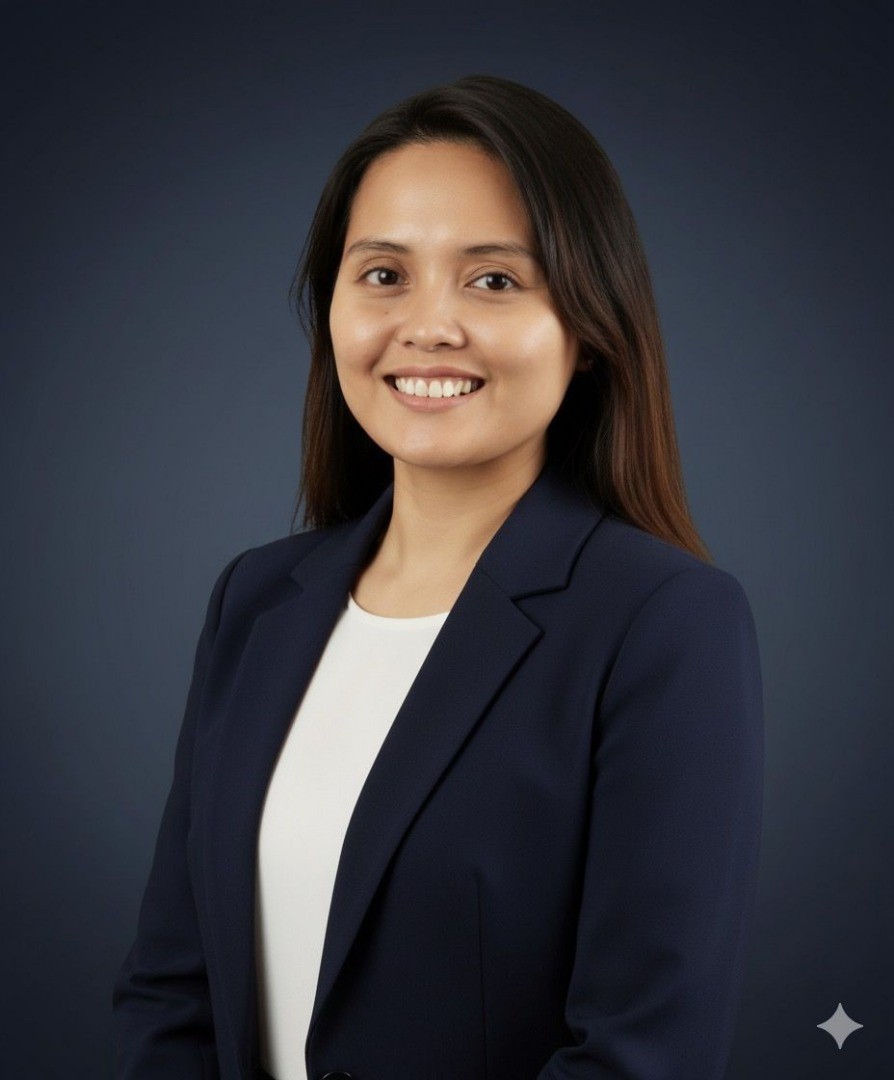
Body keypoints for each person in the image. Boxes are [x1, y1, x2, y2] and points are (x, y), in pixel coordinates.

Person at [111, 74, 764, 1080]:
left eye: (493, 279)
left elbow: (644, 1053)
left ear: (587, 328)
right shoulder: (255, 601)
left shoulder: (664, 622)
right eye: (383, 275)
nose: (428, 326)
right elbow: (172, 993)